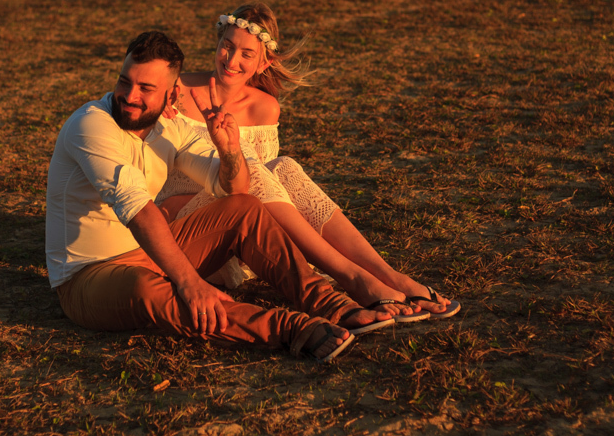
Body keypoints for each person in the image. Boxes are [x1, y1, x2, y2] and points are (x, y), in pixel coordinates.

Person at [45, 30, 395, 362]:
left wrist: (229, 152)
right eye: (125, 81)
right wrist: (189, 281)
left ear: (171, 96)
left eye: (145, 88)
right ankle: (291, 329)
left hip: (147, 252)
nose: (130, 96)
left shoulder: (173, 127)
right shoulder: (91, 124)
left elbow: (235, 187)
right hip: (87, 276)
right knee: (148, 290)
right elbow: (137, 209)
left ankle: (327, 301)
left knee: (242, 209)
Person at [156, 3, 461, 321]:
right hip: (185, 229)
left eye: (246, 53)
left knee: (282, 167)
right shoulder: (177, 90)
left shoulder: (265, 108)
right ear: (217, 43)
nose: (231, 60)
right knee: (252, 168)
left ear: (264, 63)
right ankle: (351, 277)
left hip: (238, 234)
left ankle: (387, 275)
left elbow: (270, 198)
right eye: (227, 46)